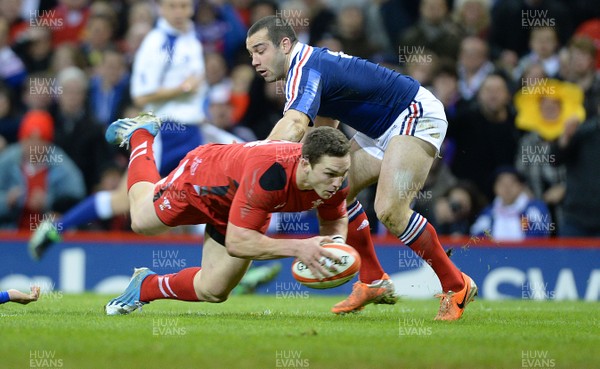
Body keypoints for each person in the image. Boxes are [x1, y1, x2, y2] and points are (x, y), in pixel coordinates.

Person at [245, 16, 477, 320]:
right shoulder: (309, 65)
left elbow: (296, 122)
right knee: (333, 188)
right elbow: (325, 131)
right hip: (383, 128)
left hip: (414, 114)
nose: (254, 61)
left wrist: (255, 159)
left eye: (260, 50)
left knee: (390, 210)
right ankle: (373, 280)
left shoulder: (304, 69)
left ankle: (456, 284)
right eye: (251, 54)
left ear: (284, 44)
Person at [104, 115, 351, 315]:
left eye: (342, 173)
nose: (337, 182)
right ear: (305, 164)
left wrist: (336, 245)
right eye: (330, 174)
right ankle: (141, 135)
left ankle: (146, 286)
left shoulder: (336, 179)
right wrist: (299, 248)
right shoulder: (270, 174)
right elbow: (237, 242)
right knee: (141, 221)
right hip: (203, 182)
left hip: (245, 202)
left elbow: (334, 218)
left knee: (214, 290)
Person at [28, 0, 209, 259]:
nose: (180, 12)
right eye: (174, 6)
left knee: (206, 193)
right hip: (165, 134)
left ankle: (233, 266)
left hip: (191, 132)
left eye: (184, 6)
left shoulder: (190, 35)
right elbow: (141, 93)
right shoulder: (156, 43)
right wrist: (184, 88)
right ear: (162, 9)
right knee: (125, 200)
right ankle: (56, 228)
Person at [470, 166, 553, 241]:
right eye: (502, 183)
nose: (507, 188)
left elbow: (540, 234)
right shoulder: (489, 213)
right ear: (494, 188)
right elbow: (477, 236)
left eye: (512, 183)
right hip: (494, 256)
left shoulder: (532, 209)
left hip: (526, 255)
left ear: (521, 186)